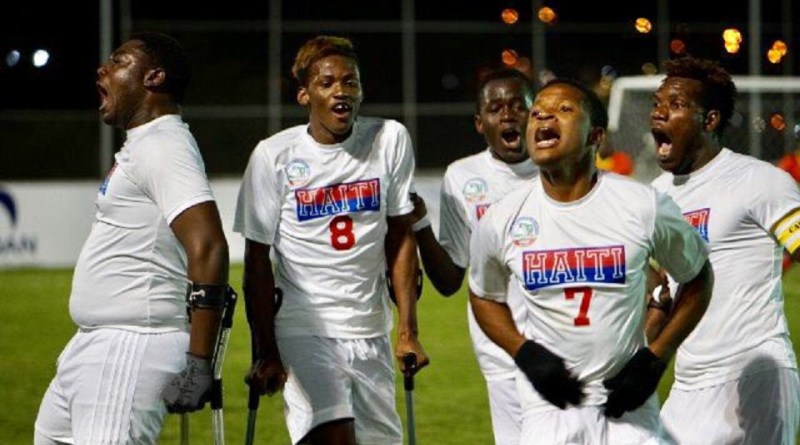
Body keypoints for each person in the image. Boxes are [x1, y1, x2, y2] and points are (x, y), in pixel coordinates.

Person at [468, 77, 714, 444]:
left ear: (596, 136)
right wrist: (523, 351)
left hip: (627, 402)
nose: (544, 117)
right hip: (548, 408)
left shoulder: (643, 206)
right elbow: (484, 294)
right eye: (537, 113)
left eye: (564, 109)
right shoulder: (502, 218)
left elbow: (697, 277)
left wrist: (657, 356)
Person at [34, 32, 230, 444]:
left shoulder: (164, 144)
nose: (103, 69)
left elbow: (209, 244)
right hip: (95, 346)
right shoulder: (145, 144)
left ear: (153, 77)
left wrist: (199, 362)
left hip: (129, 345)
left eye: (119, 61)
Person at [234, 35, 428, 445]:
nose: (341, 91)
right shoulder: (274, 156)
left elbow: (400, 236)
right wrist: (266, 349)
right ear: (305, 94)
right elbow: (256, 263)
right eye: (327, 83)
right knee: (334, 435)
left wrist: (408, 329)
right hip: (305, 328)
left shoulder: (389, 139)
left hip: (370, 327)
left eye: (350, 82)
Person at [649, 55, 800, 444]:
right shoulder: (654, 197)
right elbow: (658, 290)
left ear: (710, 120)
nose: (660, 113)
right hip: (687, 382)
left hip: (754, 371)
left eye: (676, 105)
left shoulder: (760, 181)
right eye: (657, 104)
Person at [409, 67, 537, 445]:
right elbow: (450, 280)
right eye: (496, 109)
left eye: (519, 105)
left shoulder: (561, 168)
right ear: (480, 124)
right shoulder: (463, 176)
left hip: (563, 346)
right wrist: (419, 226)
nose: (509, 115)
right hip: (499, 353)